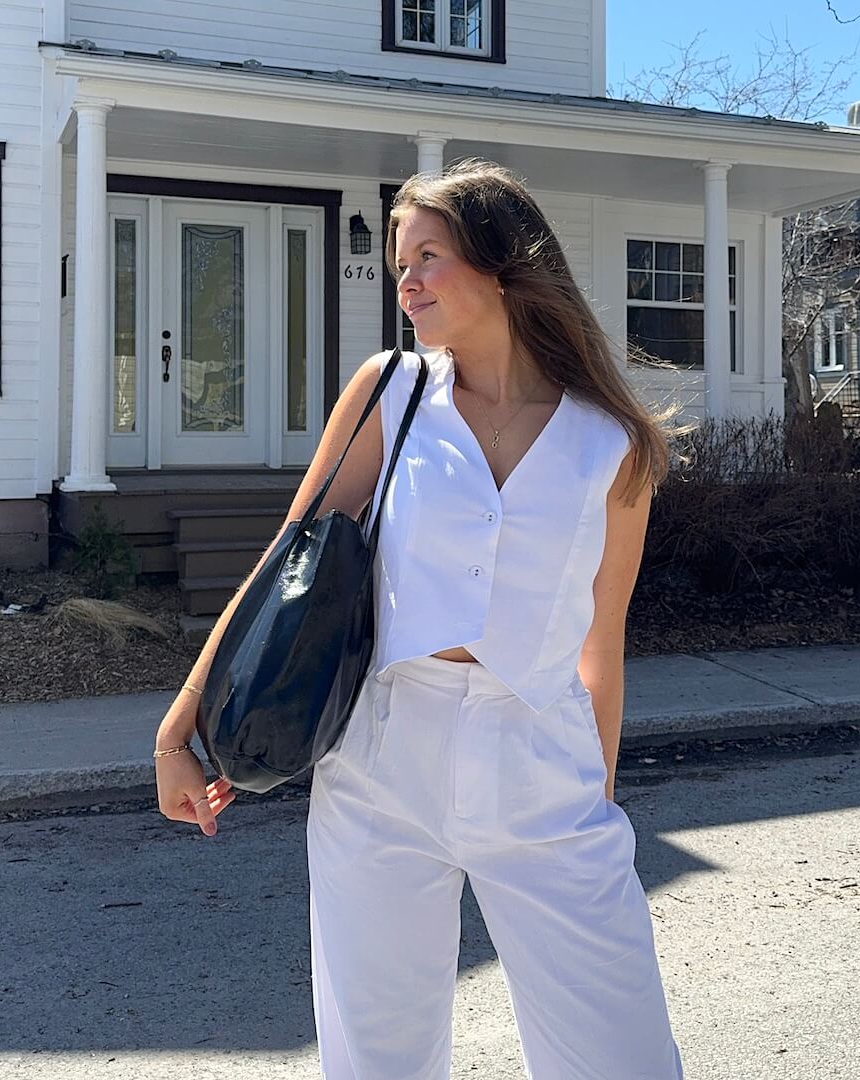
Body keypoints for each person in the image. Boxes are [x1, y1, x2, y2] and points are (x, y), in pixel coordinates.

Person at [155, 159, 685, 1078]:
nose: (406, 281)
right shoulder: (390, 392)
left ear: (504, 263)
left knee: (621, 1056)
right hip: (381, 763)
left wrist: (595, 795)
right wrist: (181, 726)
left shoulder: (612, 442)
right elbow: (287, 565)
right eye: (401, 263)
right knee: (378, 1060)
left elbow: (603, 639)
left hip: (543, 766)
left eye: (428, 257)